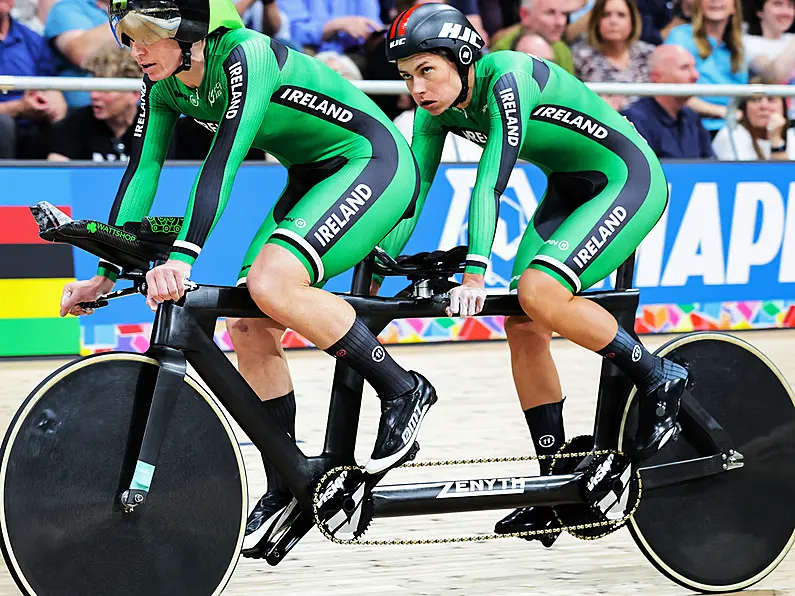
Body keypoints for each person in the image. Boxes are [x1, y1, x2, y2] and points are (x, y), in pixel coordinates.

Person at [58, 0, 437, 558]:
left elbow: (224, 163)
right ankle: (287, 480)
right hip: (310, 175)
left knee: (274, 284)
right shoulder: (163, 83)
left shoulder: (246, 54)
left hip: (372, 162)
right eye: (125, 33)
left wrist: (183, 257)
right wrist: (104, 271)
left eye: (145, 34)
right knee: (245, 323)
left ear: (190, 31)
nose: (133, 48)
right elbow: (142, 172)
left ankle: (404, 388)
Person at [382, 3, 688, 545]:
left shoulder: (507, 78)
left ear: (463, 56)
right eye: (407, 76)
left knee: (539, 291)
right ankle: (552, 485)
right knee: (524, 323)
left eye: (427, 70)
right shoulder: (435, 112)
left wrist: (475, 273)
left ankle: (657, 375)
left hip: (626, 177)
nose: (418, 89)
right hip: (571, 188)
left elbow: (488, 185)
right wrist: (378, 257)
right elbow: (413, 192)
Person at [47, 43, 150, 161]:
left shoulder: (158, 127)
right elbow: (57, 172)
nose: (94, 95)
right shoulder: (74, 124)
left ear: (134, 94)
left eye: (105, 90)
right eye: (94, 87)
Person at [664, 0, 747, 135]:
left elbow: (740, 96)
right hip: (690, 126)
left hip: (732, 128)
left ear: (734, 7)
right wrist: (720, 111)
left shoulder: (738, 48)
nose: (714, 1)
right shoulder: (680, 36)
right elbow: (672, 92)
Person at [621, 44, 715, 158]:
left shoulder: (692, 117)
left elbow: (712, 166)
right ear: (657, 77)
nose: (695, 75)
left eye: (694, 67)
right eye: (684, 68)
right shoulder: (635, 120)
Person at [572, 0, 654, 111]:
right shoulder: (580, 56)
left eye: (621, 15)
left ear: (633, 21)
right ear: (596, 21)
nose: (613, 21)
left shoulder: (649, 54)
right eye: (606, 15)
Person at [712, 80, 795, 159]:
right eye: (756, 100)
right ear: (744, 108)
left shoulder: (792, 136)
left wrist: (776, 139)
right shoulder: (730, 135)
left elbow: (785, 173)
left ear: (783, 108)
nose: (764, 106)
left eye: (771, 100)